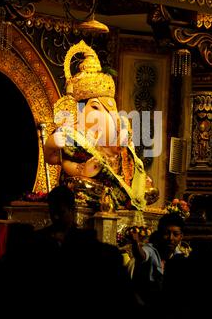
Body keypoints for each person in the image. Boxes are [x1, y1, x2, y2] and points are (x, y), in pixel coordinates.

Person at [44, 40, 147, 211]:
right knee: (83, 185)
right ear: (80, 108)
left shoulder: (119, 125)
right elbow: (53, 158)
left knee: (144, 188)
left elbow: (125, 157)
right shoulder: (70, 128)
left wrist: (123, 149)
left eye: (108, 108)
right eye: (95, 107)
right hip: (81, 182)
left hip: (114, 184)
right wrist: (50, 145)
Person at [131, 212, 185, 308]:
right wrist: (135, 243)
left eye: (175, 234)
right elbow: (142, 255)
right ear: (160, 234)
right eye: (166, 234)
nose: (170, 238)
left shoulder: (179, 256)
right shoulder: (151, 249)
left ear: (181, 236)